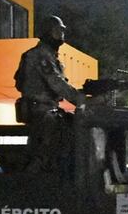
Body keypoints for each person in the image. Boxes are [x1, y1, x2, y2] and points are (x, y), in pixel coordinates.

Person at [14, 14, 86, 172]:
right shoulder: (40, 55)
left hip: (46, 108)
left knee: (64, 133)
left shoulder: (49, 56)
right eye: (57, 31)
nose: (61, 35)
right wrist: (81, 99)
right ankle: (37, 171)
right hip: (39, 109)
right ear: (48, 32)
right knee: (49, 145)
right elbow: (56, 83)